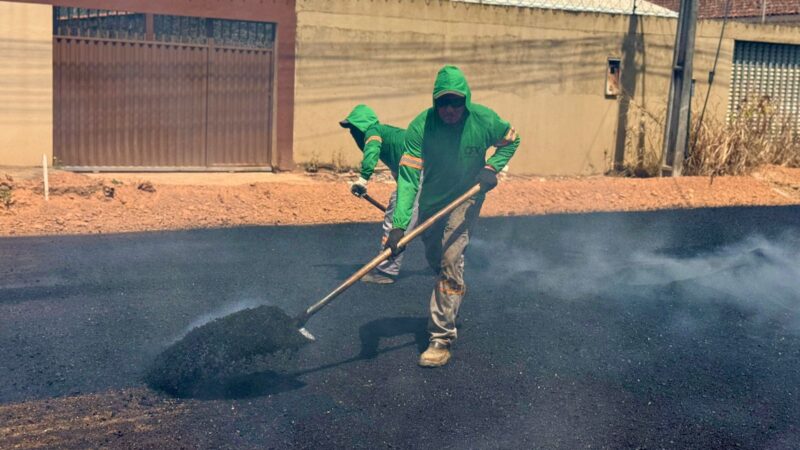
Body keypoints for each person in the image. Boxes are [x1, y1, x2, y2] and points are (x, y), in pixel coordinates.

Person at [385, 65, 521, 367]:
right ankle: (453, 285)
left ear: (466, 101)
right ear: (436, 103)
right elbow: (408, 181)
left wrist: (491, 167)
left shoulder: (485, 120)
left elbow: (513, 140)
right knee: (437, 259)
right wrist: (398, 226)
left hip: (467, 196)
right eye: (443, 102)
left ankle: (441, 338)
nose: (450, 109)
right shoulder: (421, 126)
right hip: (433, 198)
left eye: (456, 102)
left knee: (449, 260)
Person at [340, 104, 419, 284]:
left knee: (396, 217)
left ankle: (386, 271)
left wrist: (362, 179)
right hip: (427, 171)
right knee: (428, 218)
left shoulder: (373, 132)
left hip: (422, 172)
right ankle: (442, 261)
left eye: (353, 128)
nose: (352, 134)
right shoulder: (389, 136)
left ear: (362, 126)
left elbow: (372, 151)